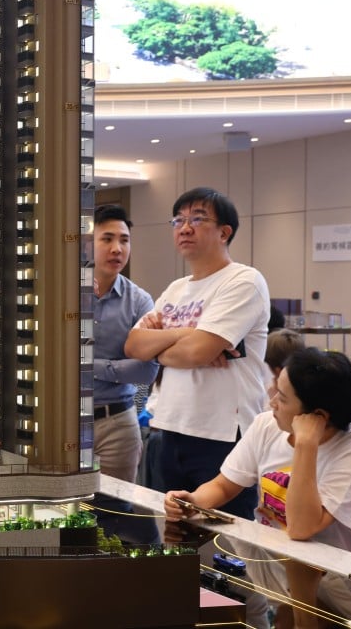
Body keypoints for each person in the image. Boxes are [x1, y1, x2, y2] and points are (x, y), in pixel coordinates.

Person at [164, 349, 351, 629]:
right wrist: (193, 499)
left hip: (342, 587)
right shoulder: (266, 425)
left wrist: (306, 445)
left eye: (282, 397)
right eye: (275, 387)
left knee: (290, 613)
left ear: (317, 416)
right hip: (278, 566)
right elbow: (224, 485)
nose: (271, 400)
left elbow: (301, 528)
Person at [124, 187, 270, 519]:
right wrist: (190, 335)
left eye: (197, 219)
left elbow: (197, 353)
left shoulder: (243, 281)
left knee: (224, 539)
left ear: (224, 232)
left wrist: (167, 343)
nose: (184, 227)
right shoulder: (176, 288)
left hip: (221, 434)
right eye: (178, 220)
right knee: (174, 532)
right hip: (169, 428)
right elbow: (134, 346)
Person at [89, 204, 160, 542]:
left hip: (118, 423)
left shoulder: (140, 301)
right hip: (63, 422)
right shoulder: (58, 293)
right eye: (107, 239)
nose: (117, 249)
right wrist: (119, 369)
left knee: (116, 514)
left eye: (124, 240)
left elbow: (147, 369)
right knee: (62, 508)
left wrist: (91, 367)